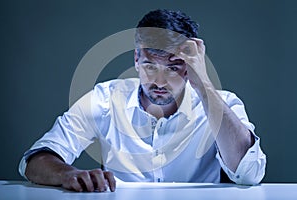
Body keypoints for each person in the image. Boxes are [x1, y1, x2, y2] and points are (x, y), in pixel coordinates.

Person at [19, 9, 266, 192]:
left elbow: (249, 173)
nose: (159, 81)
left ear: (191, 64)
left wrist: (203, 84)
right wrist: (70, 175)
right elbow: (35, 161)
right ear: (136, 59)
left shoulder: (224, 104)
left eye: (172, 67)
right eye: (149, 65)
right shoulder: (105, 100)